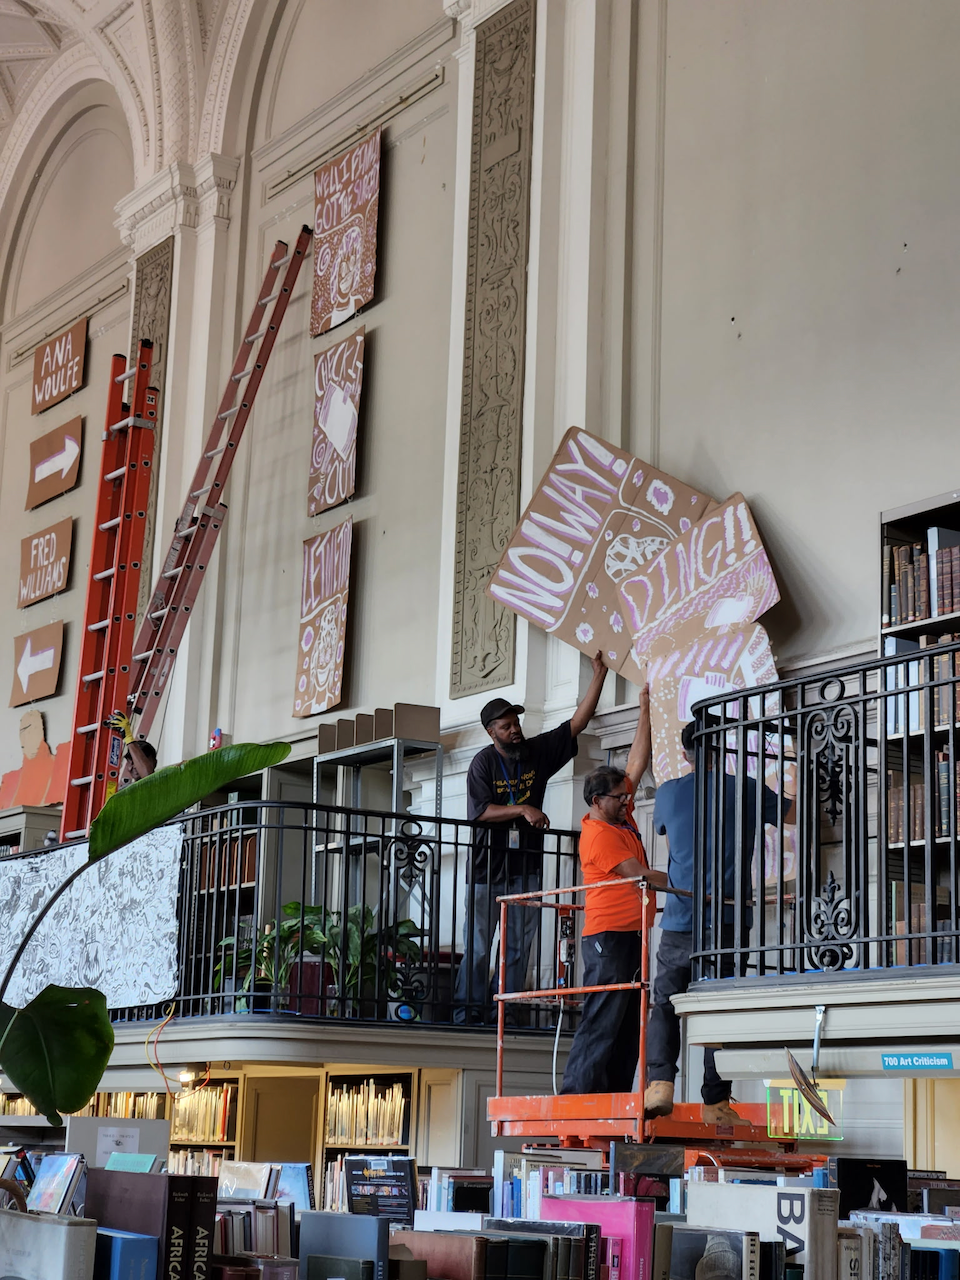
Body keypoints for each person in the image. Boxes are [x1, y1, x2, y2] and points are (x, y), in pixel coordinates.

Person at [644, 719, 796, 1123]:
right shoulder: (745, 788)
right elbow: (794, 815)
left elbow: (668, 838)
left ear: (685, 754)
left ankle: (660, 1083)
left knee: (665, 1002)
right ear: (721, 750)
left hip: (680, 917)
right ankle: (715, 1102)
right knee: (718, 1008)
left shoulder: (669, 792)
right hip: (728, 921)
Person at [453, 651, 609, 1025]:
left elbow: (576, 724)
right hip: (486, 869)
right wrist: (523, 808)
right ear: (491, 732)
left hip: (526, 868)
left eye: (516, 723)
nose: (515, 730)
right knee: (479, 947)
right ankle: (465, 1013)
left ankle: (505, 1011)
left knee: (518, 947)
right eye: (506, 726)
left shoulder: (535, 752)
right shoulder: (483, 763)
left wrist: (599, 676)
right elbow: (480, 812)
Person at [560, 685, 668, 1093]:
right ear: (596, 800)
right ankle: (577, 1094)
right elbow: (638, 873)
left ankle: (616, 1095)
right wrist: (688, 884)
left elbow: (635, 763)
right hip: (608, 936)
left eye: (627, 796)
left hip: (632, 933)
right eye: (620, 798)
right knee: (604, 1016)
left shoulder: (618, 816)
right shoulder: (599, 835)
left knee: (628, 1020)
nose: (628, 801)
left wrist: (645, 711)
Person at [106, 710, 158, 787]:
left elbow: (149, 778)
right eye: (130, 762)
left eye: (138, 760)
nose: (133, 766)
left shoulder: (161, 782)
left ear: (154, 763)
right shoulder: (125, 790)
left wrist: (128, 738)